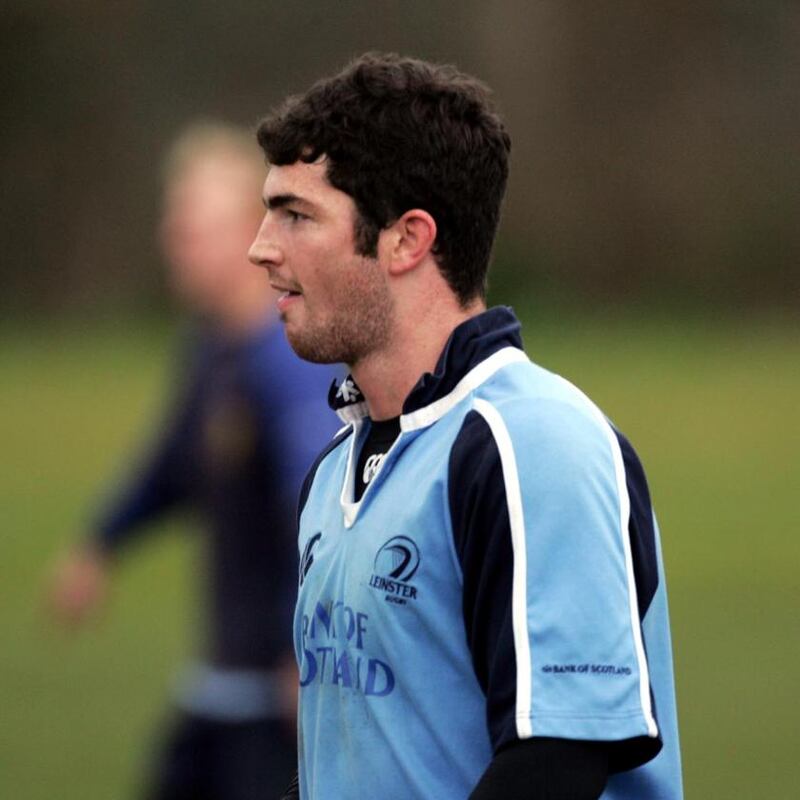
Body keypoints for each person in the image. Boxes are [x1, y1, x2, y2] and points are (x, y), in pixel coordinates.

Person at [247, 54, 683, 800]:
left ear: (407, 239)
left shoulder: (533, 445)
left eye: (296, 215)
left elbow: (557, 763)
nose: (260, 246)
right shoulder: (334, 472)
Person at [48, 122, 341, 800]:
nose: (170, 242)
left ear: (247, 233)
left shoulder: (287, 363)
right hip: (219, 687)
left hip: (273, 701)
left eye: (191, 228)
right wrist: (100, 544)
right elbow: (172, 467)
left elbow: (315, 513)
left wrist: (301, 652)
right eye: (173, 226)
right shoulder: (212, 350)